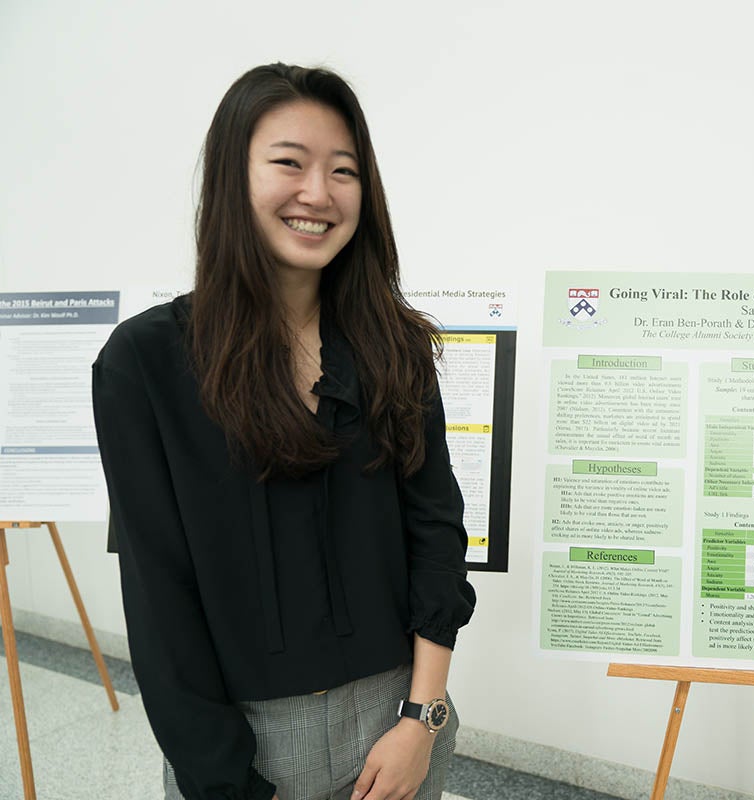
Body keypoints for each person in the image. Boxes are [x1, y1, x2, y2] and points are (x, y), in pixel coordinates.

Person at [92, 63, 475, 800]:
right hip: (237, 744)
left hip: (397, 726)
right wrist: (225, 780)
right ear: (233, 178)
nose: (317, 194)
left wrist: (420, 719)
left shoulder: (392, 345)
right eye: (288, 164)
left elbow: (437, 530)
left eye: (343, 171)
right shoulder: (143, 364)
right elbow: (159, 596)